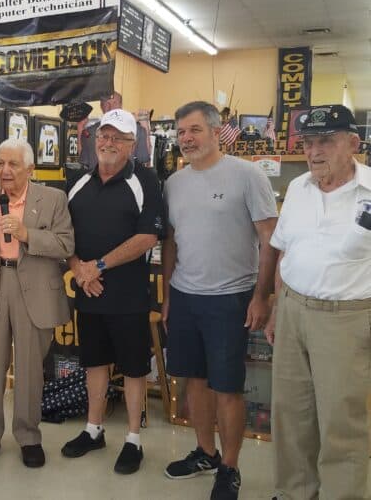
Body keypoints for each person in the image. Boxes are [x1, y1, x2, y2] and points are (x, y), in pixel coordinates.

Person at [162, 101, 278, 500]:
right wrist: (167, 298)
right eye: (181, 133)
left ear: (216, 131)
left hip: (231, 298)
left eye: (194, 130)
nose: (187, 139)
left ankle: (229, 467)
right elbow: (172, 242)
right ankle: (205, 452)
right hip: (184, 295)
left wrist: (262, 296)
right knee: (193, 379)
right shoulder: (174, 182)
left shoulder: (248, 176)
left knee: (227, 387)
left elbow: (269, 239)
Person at [265, 105, 371, 500]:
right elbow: (283, 250)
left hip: (346, 319)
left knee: (341, 423)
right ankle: (294, 493)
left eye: (325, 141)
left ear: (353, 144)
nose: (314, 151)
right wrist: (276, 306)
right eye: (308, 142)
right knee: (291, 416)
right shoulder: (298, 189)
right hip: (293, 310)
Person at [62, 109, 164, 474]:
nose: (108, 143)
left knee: (134, 368)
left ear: (131, 145)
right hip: (88, 293)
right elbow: (63, 234)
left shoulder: (146, 181)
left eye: (118, 138)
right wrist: (78, 268)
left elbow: (147, 236)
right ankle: (94, 429)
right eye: (103, 136)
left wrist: (98, 266)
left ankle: (133, 439)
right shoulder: (77, 181)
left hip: (128, 297)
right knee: (94, 363)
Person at [0, 139, 74, 468]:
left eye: (13, 165)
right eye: (0, 164)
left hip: (34, 291)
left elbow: (66, 244)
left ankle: (28, 436)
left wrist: (27, 234)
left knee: (29, 372)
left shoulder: (54, 199)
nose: (5, 171)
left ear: (30, 170)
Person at [77, 91, 151, 168]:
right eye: (107, 103)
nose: (111, 107)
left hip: (123, 178)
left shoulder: (137, 130)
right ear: (101, 106)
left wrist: (145, 124)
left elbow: (144, 158)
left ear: (121, 105)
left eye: (115, 103)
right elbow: (83, 158)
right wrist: (80, 127)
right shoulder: (89, 132)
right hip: (100, 179)